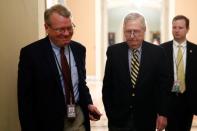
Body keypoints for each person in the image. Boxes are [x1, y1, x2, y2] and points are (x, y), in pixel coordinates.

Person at [17, 4, 101, 131]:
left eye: (70, 28)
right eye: (61, 29)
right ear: (47, 27)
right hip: (47, 121)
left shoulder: (79, 50)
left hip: (77, 116)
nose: (67, 33)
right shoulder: (31, 54)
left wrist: (88, 104)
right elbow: (25, 99)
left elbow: (81, 83)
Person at [102, 12, 170, 131]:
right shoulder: (114, 52)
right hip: (118, 120)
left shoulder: (157, 53)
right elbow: (107, 86)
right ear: (124, 31)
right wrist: (110, 113)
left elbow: (162, 87)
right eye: (128, 31)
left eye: (136, 31)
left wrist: (163, 113)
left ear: (144, 30)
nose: (132, 35)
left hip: (147, 118)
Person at [161, 15, 197, 131]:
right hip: (169, 100)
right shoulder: (162, 49)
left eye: (180, 27)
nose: (176, 30)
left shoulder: (195, 50)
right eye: (174, 27)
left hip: (189, 100)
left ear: (187, 29)